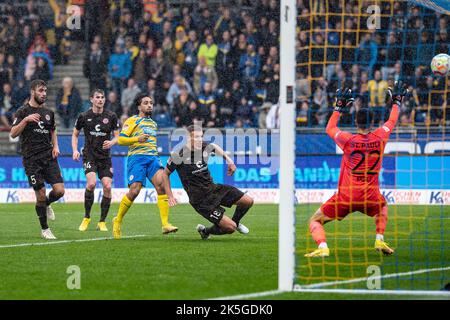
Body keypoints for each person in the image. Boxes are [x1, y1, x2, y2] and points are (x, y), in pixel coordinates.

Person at [304, 82, 408, 257]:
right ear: (373, 122)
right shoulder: (381, 136)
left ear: (355, 122)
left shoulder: (348, 140)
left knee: (315, 220)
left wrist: (339, 107)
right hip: (370, 197)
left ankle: (322, 247)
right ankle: (379, 238)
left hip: (346, 197)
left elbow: (329, 128)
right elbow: (391, 121)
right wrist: (396, 102)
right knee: (383, 206)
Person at [164, 125, 253, 240]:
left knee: (248, 201)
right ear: (188, 137)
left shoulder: (203, 146)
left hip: (214, 189)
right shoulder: (178, 155)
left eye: (201, 137)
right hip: (201, 200)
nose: (200, 140)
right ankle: (205, 231)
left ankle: (235, 222)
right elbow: (165, 174)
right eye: (196, 137)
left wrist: (229, 160)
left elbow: (214, 146)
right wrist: (170, 196)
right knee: (229, 228)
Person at [112, 94, 178, 238]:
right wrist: (137, 139)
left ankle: (165, 224)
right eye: (146, 103)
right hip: (137, 159)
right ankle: (117, 220)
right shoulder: (132, 120)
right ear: (139, 106)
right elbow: (121, 140)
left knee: (161, 186)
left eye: (151, 103)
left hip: (153, 159)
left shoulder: (153, 123)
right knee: (134, 191)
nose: (149, 105)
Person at [10, 79, 65, 240]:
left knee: (60, 191)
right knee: (40, 194)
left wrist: (56, 146)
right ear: (32, 92)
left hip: (48, 156)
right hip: (31, 159)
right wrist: (26, 120)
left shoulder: (49, 113)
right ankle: (45, 229)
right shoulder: (22, 111)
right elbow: (13, 133)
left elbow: (53, 130)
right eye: (40, 91)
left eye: (45, 91)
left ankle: (48, 203)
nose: (44, 94)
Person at [72, 89, 120, 232]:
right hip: (90, 156)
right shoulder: (84, 116)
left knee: (107, 187)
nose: (100, 100)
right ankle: (86, 217)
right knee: (91, 184)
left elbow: (117, 136)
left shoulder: (111, 116)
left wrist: (112, 142)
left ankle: (102, 221)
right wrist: (75, 150)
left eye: (102, 97)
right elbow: (75, 134)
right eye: (97, 97)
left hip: (105, 158)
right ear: (91, 99)